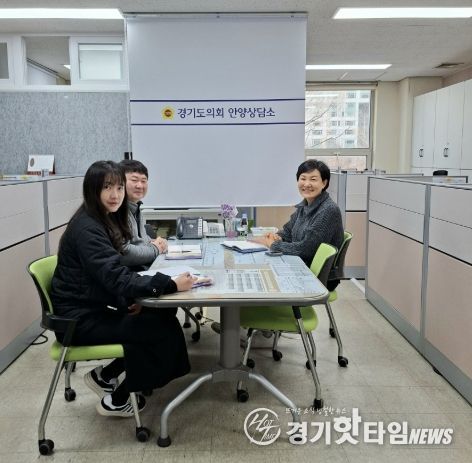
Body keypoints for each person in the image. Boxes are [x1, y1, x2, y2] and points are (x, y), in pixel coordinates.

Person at [51, 160, 196, 417]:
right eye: (107, 187)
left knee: (158, 316)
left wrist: (133, 299)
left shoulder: (100, 219)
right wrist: (170, 284)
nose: (115, 194)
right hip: (78, 321)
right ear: (92, 189)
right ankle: (116, 400)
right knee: (161, 329)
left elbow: (109, 276)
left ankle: (105, 375)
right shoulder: (88, 228)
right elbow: (116, 277)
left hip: (91, 308)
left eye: (119, 187)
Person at [251, 159, 344, 281]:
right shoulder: (305, 206)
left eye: (313, 179)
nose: (306, 184)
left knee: (264, 277)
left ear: (324, 183)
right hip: (301, 265)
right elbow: (288, 231)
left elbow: (306, 250)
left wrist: (273, 244)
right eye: (303, 178)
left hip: (316, 276)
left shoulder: (328, 210)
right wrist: (276, 237)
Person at [119, 159, 167, 270]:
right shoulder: (117, 210)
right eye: (134, 180)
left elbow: (141, 241)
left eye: (144, 181)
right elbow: (123, 253)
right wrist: (156, 248)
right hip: (130, 273)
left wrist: (156, 242)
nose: (140, 185)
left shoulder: (135, 207)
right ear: (120, 182)